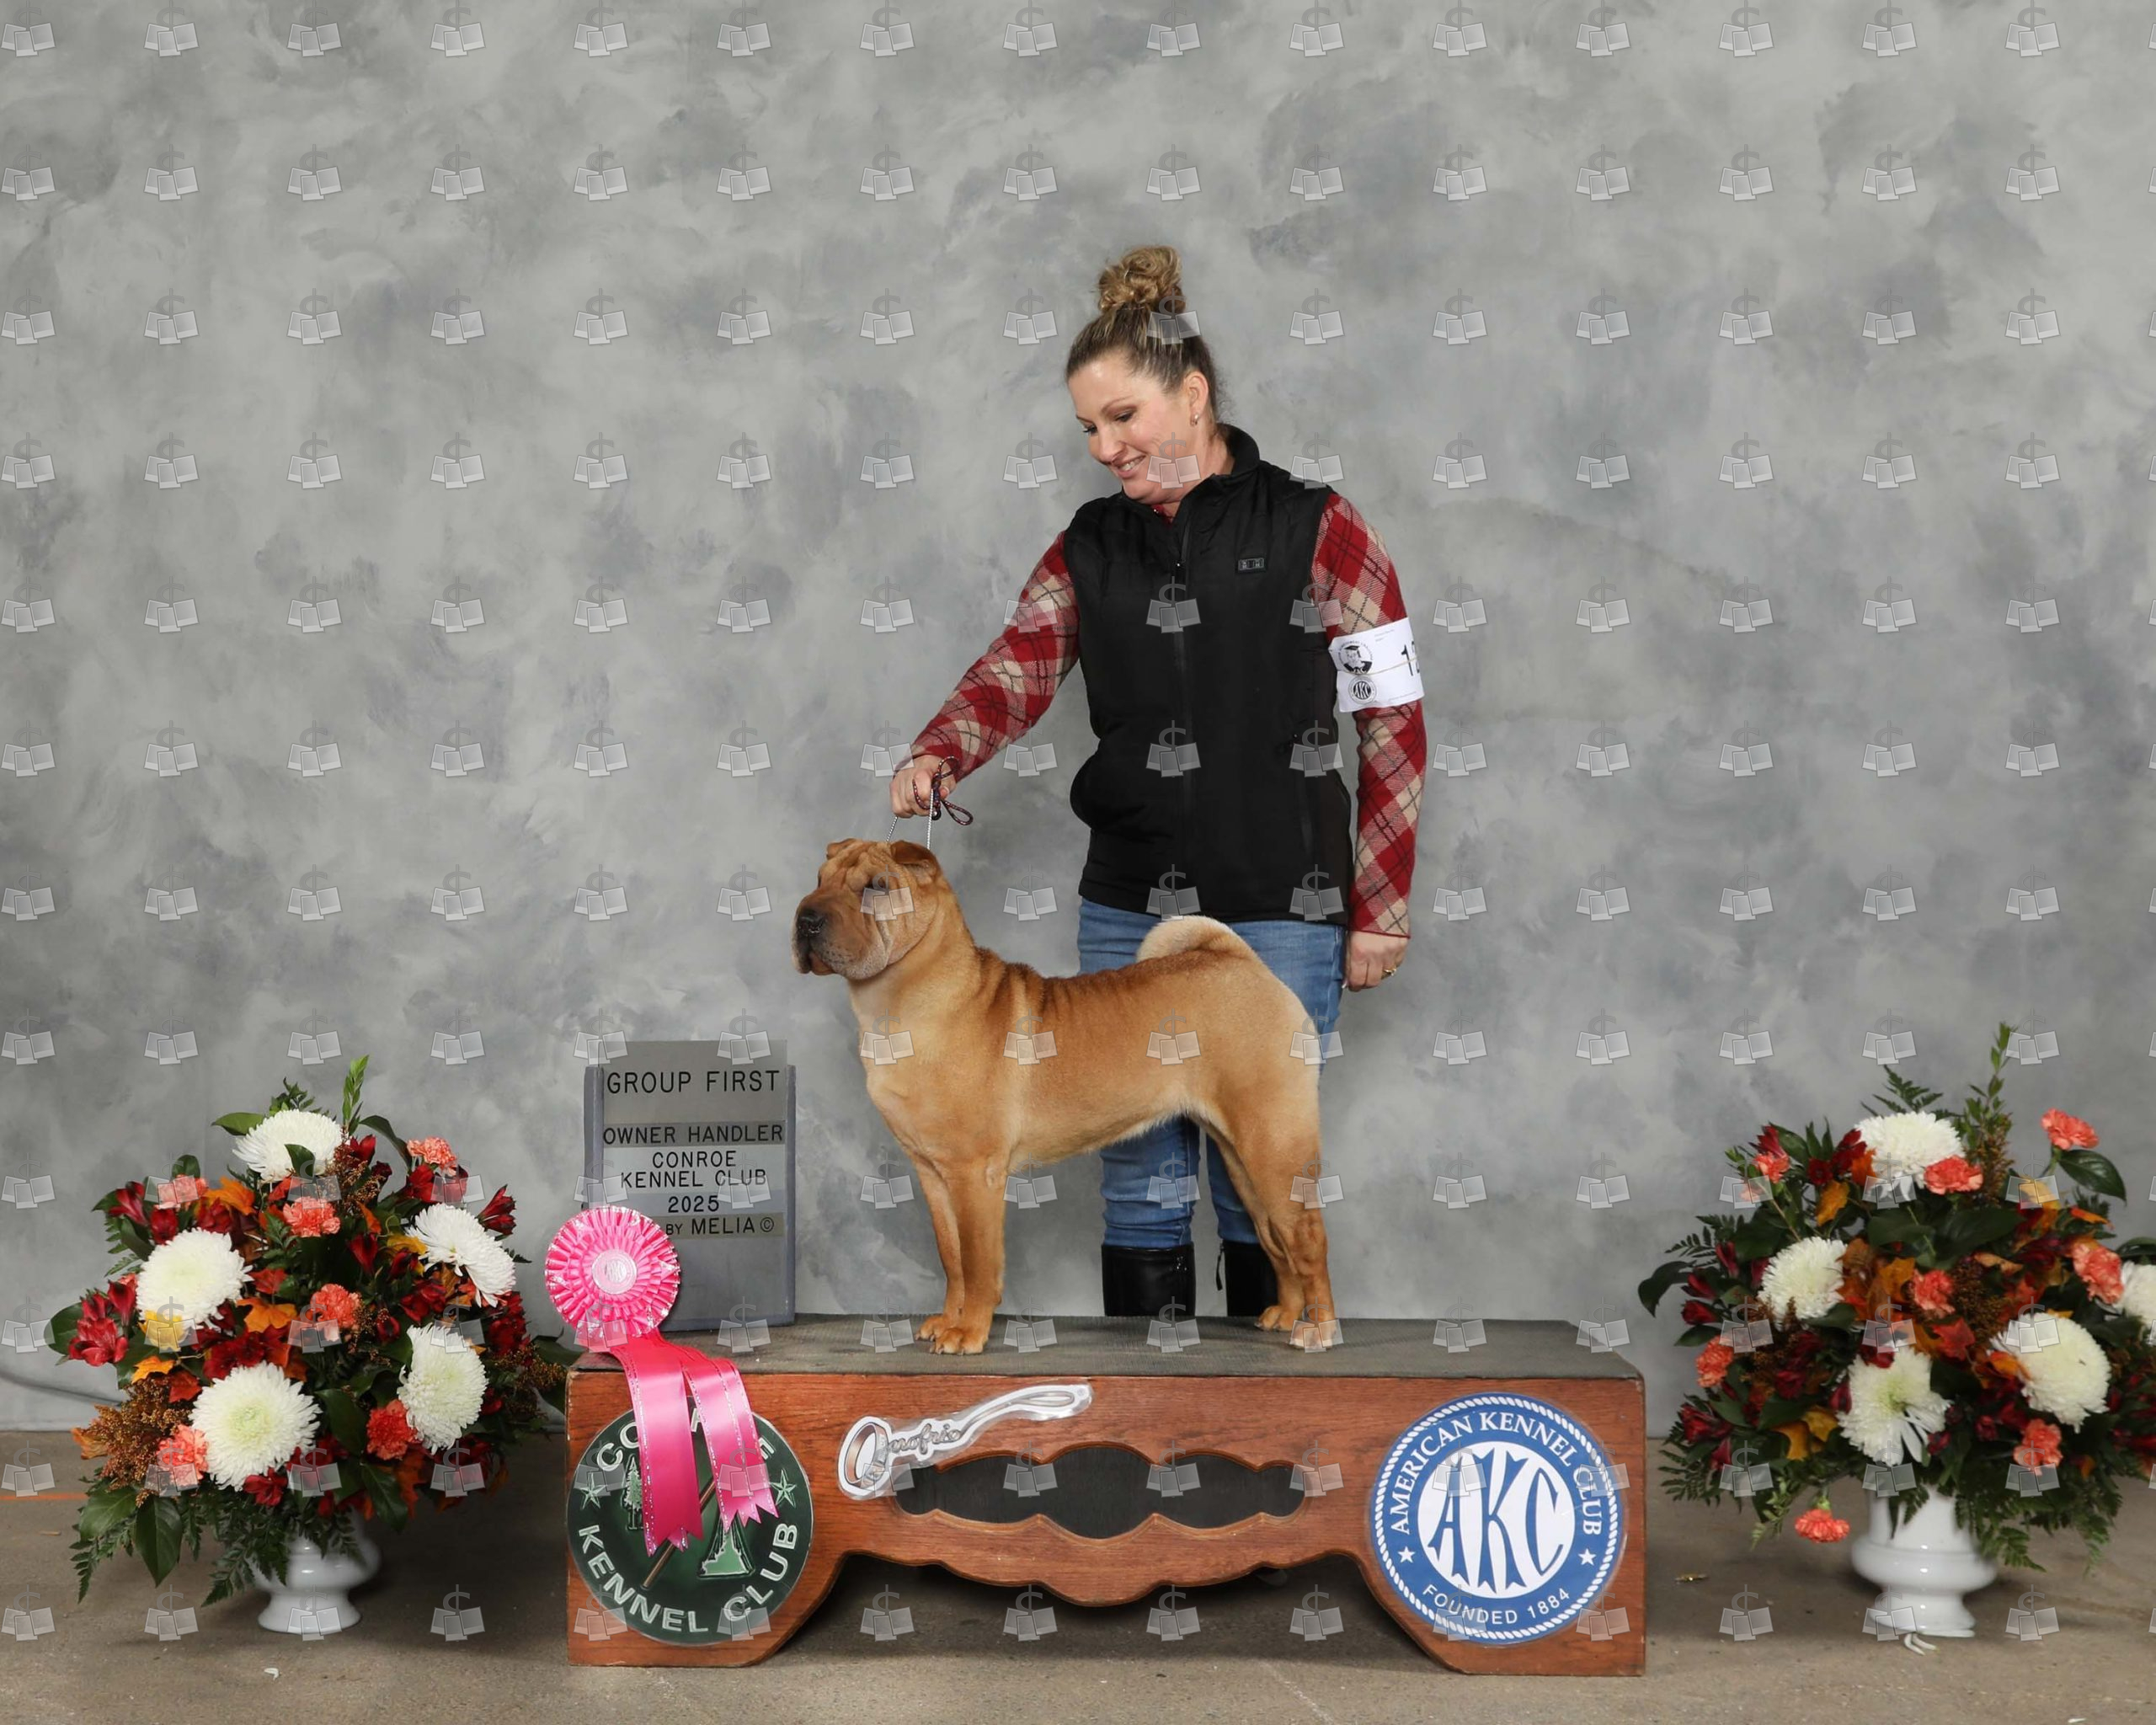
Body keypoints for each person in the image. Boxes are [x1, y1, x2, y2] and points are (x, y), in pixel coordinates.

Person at [891, 243, 1428, 1324]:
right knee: (1138, 1186)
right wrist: (941, 746)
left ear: (1193, 393)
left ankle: (1275, 1393)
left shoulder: (1318, 523)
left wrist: (1379, 907)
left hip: (1285, 898)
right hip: (1129, 902)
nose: (1105, 448)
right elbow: (1018, 663)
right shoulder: (1088, 544)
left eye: (1123, 416)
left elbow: (1392, 717)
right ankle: (1145, 1415)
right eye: (1088, 429)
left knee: (1257, 1175)